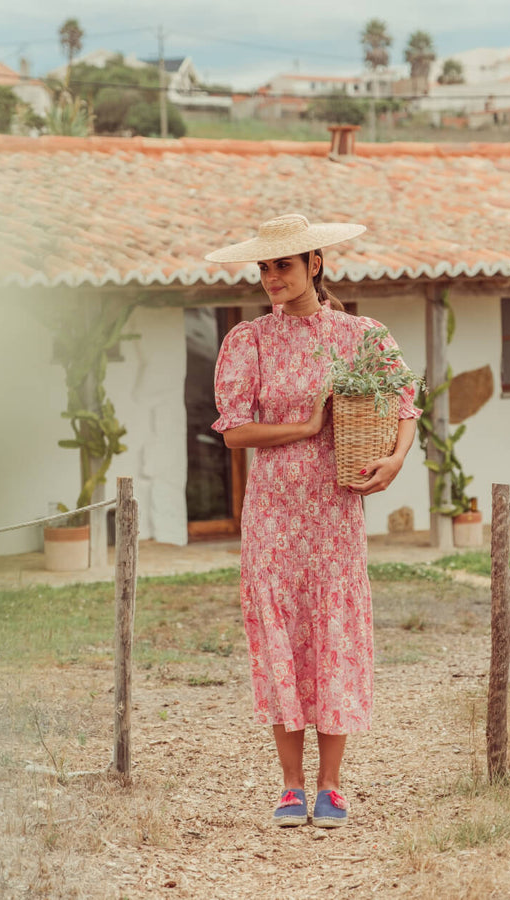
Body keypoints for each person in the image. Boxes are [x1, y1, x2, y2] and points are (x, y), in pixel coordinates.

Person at [206, 213, 421, 828]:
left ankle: (331, 786)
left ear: (314, 265)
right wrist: (303, 427)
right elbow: (235, 432)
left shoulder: (361, 335)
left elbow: (403, 401)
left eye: (284, 265)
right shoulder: (248, 341)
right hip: (272, 515)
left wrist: (397, 457)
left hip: (334, 513)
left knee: (333, 636)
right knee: (279, 639)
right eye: (265, 266)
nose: (272, 277)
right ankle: (291, 787)